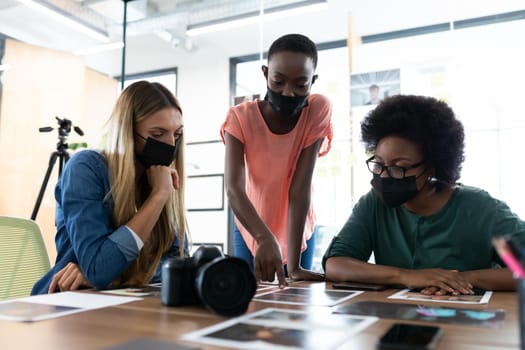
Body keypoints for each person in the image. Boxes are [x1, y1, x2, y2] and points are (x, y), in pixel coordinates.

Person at [323, 94, 523, 295]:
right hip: (397, 321)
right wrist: (407, 276)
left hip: (467, 323)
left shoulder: (481, 209)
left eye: (399, 167)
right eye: (379, 164)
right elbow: (336, 264)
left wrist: (462, 278)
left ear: (432, 168)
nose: (383, 175)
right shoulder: (374, 204)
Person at [32, 81, 188, 295]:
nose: (171, 144)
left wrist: (118, 277)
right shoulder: (87, 168)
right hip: (66, 301)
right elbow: (99, 268)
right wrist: (158, 196)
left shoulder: (158, 177)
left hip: (122, 304)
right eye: (157, 134)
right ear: (128, 132)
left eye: (177, 134)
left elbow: (179, 263)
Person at [221, 33, 333, 287]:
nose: (288, 92)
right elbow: (234, 188)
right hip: (252, 223)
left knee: (296, 304)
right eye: (278, 81)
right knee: (251, 300)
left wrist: (294, 266)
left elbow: (300, 185)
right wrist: (263, 237)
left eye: (300, 85)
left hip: (297, 227)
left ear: (313, 81)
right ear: (265, 73)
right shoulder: (240, 118)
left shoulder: (318, 109)